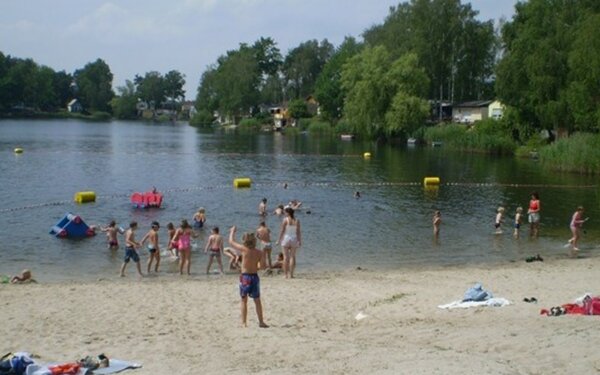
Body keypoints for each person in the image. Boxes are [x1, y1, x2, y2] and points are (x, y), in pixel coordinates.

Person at [228, 226, 268, 328]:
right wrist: (256, 266)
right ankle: (261, 322)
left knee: (243, 300)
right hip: (254, 277)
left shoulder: (244, 249)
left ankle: (244, 323)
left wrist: (232, 231)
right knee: (257, 300)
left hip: (245, 277)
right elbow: (263, 267)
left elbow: (231, 241)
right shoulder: (260, 252)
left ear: (245, 241)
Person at [276, 207, 302, 279]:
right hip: (294, 238)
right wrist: (299, 241)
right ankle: (291, 275)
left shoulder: (285, 220)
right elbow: (298, 232)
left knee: (285, 257)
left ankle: (285, 275)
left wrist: (278, 240)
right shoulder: (297, 220)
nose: (284, 213)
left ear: (288, 213)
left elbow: (282, 231)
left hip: (286, 238)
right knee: (292, 257)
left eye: (285, 212)